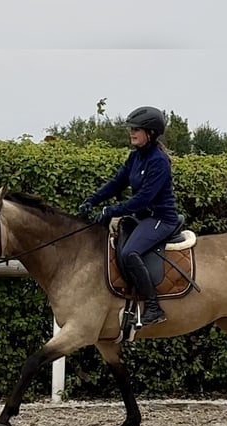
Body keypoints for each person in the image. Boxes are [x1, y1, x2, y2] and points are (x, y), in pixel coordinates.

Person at [78, 105, 179, 326]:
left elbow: (143, 199)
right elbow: (116, 183)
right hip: (143, 218)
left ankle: (154, 307)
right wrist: (92, 200)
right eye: (131, 128)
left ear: (150, 133)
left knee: (130, 252)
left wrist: (110, 210)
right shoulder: (135, 157)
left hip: (161, 219)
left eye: (137, 129)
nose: (132, 132)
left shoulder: (159, 161)